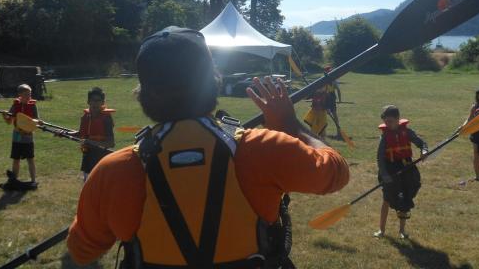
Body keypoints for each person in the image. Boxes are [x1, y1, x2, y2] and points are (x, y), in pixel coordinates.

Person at [67, 27, 349, 268]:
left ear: (143, 92)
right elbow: (336, 171)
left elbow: (82, 251)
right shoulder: (262, 149)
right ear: (213, 81)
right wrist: (290, 124)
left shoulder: (113, 171)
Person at [374, 105, 427, 239]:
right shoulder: (385, 137)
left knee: (405, 198)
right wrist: (384, 174)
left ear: (398, 119)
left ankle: (402, 231)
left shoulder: (407, 132)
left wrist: (424, 151)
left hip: (406, 168)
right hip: (390, 169)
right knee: (386, 199)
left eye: (390, 121)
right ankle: (381, 230)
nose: (388, 124)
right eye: (386, 121)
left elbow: (422, 143)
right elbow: (380, 157)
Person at [78, 87, 115, 181]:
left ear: (103, 103)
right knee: (86, 183)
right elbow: (81, 134)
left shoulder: (106, 119)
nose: (96, 103)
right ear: (88, 102)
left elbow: (110, 143)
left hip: (101, 158)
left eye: (98, 101)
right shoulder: (86, 116)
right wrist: (64, 133)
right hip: (87, 155)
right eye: (93, 100)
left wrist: (91, 142)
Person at [3, 84, 38, 185]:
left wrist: (36, 122)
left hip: (28, 136)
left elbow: (37, 119)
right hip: (17, 136)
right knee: (16, 159)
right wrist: (4, 116)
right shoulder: (15, 105)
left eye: (29, 94)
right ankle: (14, 180)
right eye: (26, 94)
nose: (29, 96)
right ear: (20, 95)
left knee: (30, 159)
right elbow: (9, 122)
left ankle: (33, 181)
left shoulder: (33, 106)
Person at [322, 66, 343, 139]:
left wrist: (340, 100)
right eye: (329, 71)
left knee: (334, 115)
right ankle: (323, 133)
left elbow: (338, 90)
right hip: (326, 97)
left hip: (330, 97)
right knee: (323, 115)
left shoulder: (333, 80)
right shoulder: (324, 79)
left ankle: (338, 132)